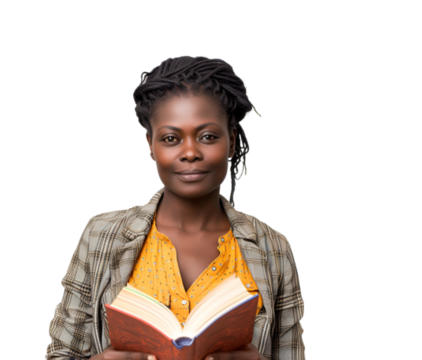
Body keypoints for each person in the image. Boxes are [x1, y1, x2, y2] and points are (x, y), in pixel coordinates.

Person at [46, 55, 305, 360]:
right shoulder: (101, 235)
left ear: (231, 140)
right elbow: (61, 354)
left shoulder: (273, 248)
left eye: (208, 136)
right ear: (151, 147)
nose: (191, 152)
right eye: (171, 138)